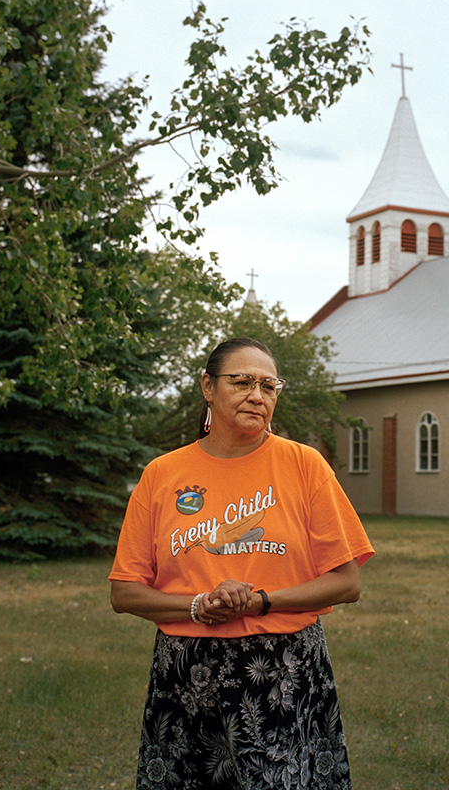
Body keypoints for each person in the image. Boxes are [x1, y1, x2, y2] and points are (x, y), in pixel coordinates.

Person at [110, 337, 374, 790]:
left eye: (269, 385)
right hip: (186, 671)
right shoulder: (162, 474)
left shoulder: (304, 465)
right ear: (208, 387)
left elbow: (347, 582)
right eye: (243, 381)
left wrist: (260, 601)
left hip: (282, 669)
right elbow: (124, 592)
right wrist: (197, 605)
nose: (258, 395)